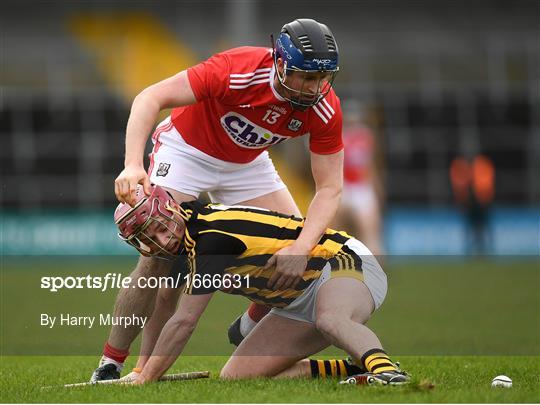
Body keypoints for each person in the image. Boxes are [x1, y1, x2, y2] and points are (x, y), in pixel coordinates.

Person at [92, 18, 345, 381]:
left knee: (296, 252)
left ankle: (248, 324)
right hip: (187, 151)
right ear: (279, 63)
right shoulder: (238, 70)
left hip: (248, 163)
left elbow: (329, 188)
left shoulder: (324, 107)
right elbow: (150, 96)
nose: (314, 88)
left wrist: (303, 246)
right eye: (305, 77)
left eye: (322, 78)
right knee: (158, 260)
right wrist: (132, 164)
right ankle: (111, 363)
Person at [115, 185, 409, 386]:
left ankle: (388, 373)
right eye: (148, 235)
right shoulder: (185, 247)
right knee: (238, 377)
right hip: (295, 300)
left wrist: (146, 379)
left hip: (341, 260)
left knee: (331, 319)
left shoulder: (210, 237)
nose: (162, 239)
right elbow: (164, 305)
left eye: (160, 225)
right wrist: (142, 368)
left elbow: (185, 321)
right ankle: (354, 366)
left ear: (170, 208)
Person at [331, 99, 384, 257]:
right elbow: (372, 165)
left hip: (353, 186)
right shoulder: (364, 135)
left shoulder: (345, 135)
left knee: (361, 230)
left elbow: (370, 165)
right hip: (350, 186)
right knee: (366, 232)